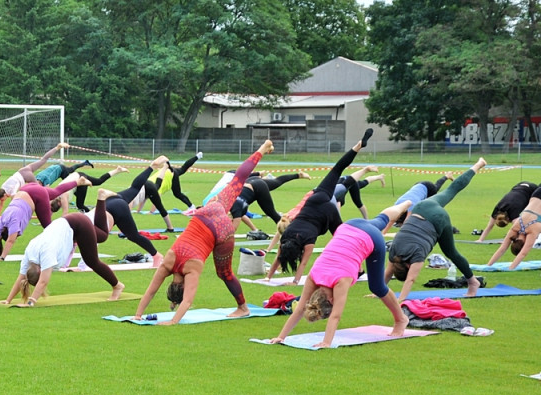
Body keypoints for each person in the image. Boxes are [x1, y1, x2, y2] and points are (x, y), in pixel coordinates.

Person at [132, 141, 274, 324]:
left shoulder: (192, 270)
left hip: (223, 231)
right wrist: (137, 314)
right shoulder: (167, 262)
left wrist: (171, 321)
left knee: (225, 273)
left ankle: (243, 307)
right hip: (208, 211)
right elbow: (151, 291)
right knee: (238, 180)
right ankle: (262, 149)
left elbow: (188, 300)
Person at [269, 202, 412, 348]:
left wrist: (326, 342)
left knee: (377, 287)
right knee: (381, 219)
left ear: (330, 300)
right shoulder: (314, 276)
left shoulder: (340, 281)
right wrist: (281, 337)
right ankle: (406, 203)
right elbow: (300, 308)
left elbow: (335, 316)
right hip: (349, 226)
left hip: (372, 238)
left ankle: (401, 319)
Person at [264, 129, 374, 283]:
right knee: (337, 170)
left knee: (343, 237)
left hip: (327, 212)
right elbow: (281, 257)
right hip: (315, 199)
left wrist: (286, 281)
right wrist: (268, 278)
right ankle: (358, 146)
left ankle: (361, 269)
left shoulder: (307, 241)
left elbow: (301, 263)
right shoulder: (287, 235)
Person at [0, 189, 125, 306]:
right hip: (68, 223)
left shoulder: (46, 254)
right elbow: (21, 278)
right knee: (102, 236)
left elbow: (43, 282)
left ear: (40, 270)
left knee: (92, 260)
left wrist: (31, 302)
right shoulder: (29, 254)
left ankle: (117, 286)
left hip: (78, 224)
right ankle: (101, 199)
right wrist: (8, 300)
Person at [387, 158, 487, 301]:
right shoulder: (394, 251)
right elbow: (387, 274)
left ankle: (473, 282)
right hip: (421, 207)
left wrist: (400, 299)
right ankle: (478, 165)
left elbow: (410, 280)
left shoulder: (417, 256)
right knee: (451, 190)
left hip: (437, 219)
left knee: (451, 252)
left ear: (408, 266)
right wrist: (378, 292)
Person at [0, 175, 91, 260]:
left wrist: (2, 258)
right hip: (26, 188)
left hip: (36, 195)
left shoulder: (13, 223)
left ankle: (73, 237)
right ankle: (78, 182)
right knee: (55, 192)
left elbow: (10, 241)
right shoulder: (2, 221)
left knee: (49, 228)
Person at [94, 159, 171, 268]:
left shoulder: (86, 231)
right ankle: (151, 167)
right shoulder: (81, 225)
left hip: (115, 207)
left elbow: (92, 244)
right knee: (134, 188)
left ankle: (157, 255)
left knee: (133, 235)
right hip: (111, 200)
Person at [0, 143, 69, 217]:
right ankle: (57, 147)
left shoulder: (10, 190)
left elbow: (13, 201)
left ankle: (53, 202)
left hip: (27, 176)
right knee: (43, 160)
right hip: (24, 170)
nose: (3, 201)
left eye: (2, 199)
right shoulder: (3, 188)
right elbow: (1, 205)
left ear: (3, 195)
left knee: (41, 192)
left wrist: (11, 213)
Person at [484, 183, 541, 271]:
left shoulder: (532, 230)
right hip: (536, 194)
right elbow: (502, 249)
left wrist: (511, 268)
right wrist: (488, 265)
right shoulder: (516, 227)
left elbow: (523, 253)